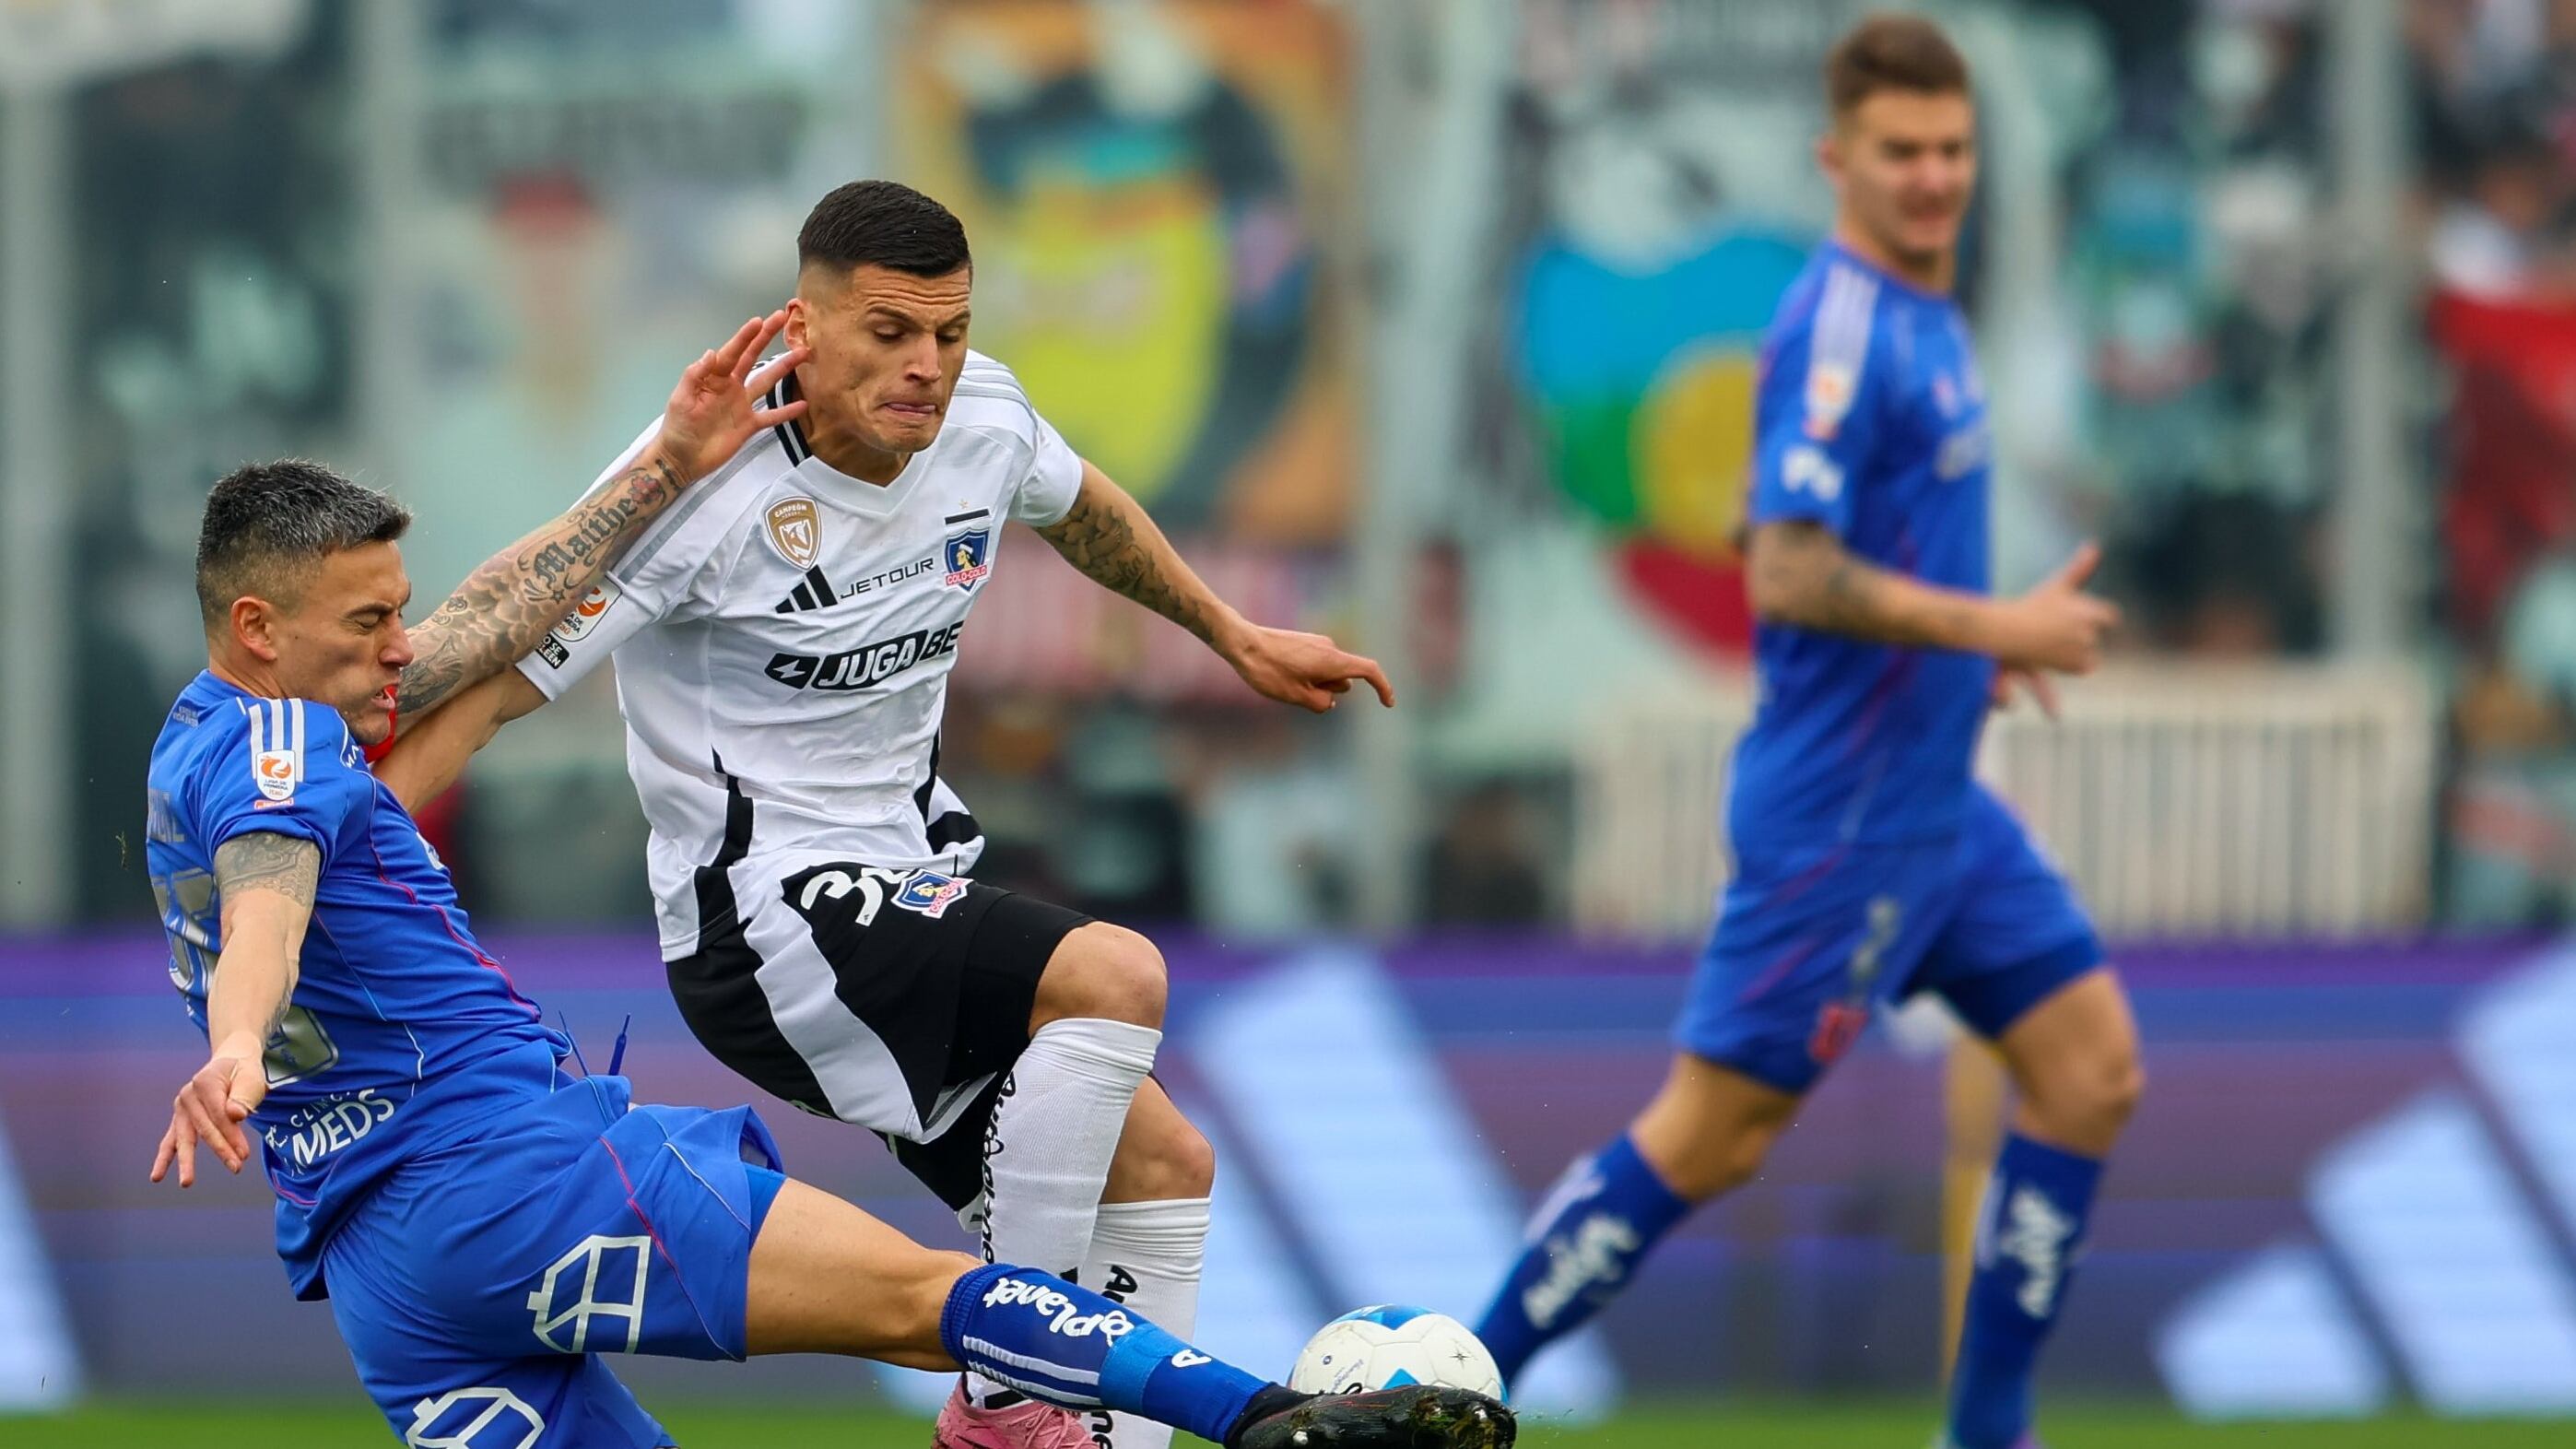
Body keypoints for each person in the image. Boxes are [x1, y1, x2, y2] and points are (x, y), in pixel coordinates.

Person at [143, 316, 1511, 1449]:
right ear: (259, 628)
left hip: (383, 1271)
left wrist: (660, 465)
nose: (404, 647)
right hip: (514, 1173)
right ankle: (1269, 1420)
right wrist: (238, 1040)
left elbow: (475, 653)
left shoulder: (188, 748)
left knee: (1157, 1158)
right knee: (942, 1296)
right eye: (372, 623)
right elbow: (272, 890)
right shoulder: (282, 743)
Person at [378, 180, 1393, 1449]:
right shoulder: (696, 486)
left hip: (913, 874)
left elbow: (1077, 507)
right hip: (766, 927)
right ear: (802, 328)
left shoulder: (987, 416)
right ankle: (1012, 1397)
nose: (929, 368)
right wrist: (323, 867)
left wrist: (1229, 632)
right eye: (891, 334)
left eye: (951, 332)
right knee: (1113, 974)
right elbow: (477, 699)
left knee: (1164, 1171)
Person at [1467, 18, 2141, 1449]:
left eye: (1954, 151)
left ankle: (1990, 1434)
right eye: (1902, 153)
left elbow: (1858, 560)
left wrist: (1964, 668)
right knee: (1711, 1140)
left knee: (2090, 1070)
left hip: (1935, 797)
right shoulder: (1837, 329)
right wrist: (1995, 633)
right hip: (1838, 818)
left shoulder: (1931, 312)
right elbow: (1784, 564)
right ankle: (1448, 1386)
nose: (1933, 178)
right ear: (1837, 159)